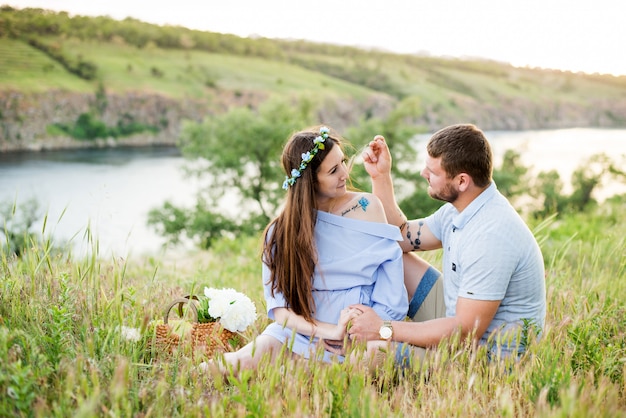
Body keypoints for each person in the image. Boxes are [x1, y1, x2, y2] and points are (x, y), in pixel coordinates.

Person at [212, 125, 425, 373]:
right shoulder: (281, 233)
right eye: (334, 170)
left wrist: (361, 331)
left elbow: (390, 280)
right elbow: (281, 310)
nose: (345, 173)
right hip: (301, 333)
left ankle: (305, 371)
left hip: (359, 335)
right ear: (310, 181)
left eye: (343, 162)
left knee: (371, 360)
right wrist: (329, 331)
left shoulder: (367, 207)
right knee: (247, 359)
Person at [347, 123, 546, 366]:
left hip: (485, 356)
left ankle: (366, 332)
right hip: (459, 316)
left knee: (371, 355)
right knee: (391, 256)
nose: (423, 173)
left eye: (432, 171)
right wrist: (380, 176)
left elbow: (463, 333)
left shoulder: (491, 236)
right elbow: (400, 236)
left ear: (462, 181)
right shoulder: (462, 209)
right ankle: (348, 324)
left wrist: (383, 329)